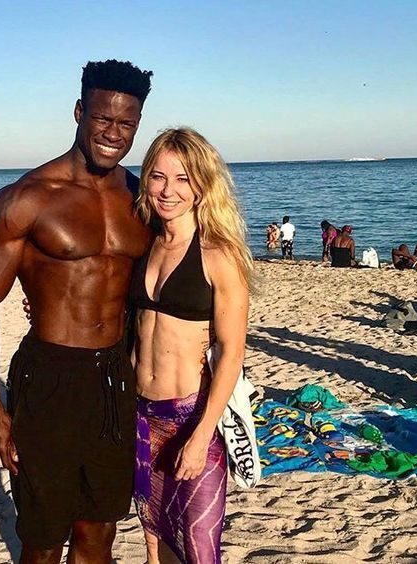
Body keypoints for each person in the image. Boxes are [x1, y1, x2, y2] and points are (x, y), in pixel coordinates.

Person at [0, 60, 153, 563]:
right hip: (50, 376)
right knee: (44, 538)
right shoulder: (26, 199)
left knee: (100, 530)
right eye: (102, 118)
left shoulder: (142, 199)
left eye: (126, 123)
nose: (113, 133)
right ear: (78, 111)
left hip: (115, 376)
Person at [131, 128, 252, 563]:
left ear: (202, 184)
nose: (168, 191)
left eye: (183, 179)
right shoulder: (143, 243)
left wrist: (202, 435)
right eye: (158, 176)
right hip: (141, 416)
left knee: (200, 548)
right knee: (154, 540)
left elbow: (233, 352)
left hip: (191, 417)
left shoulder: (219, 254)